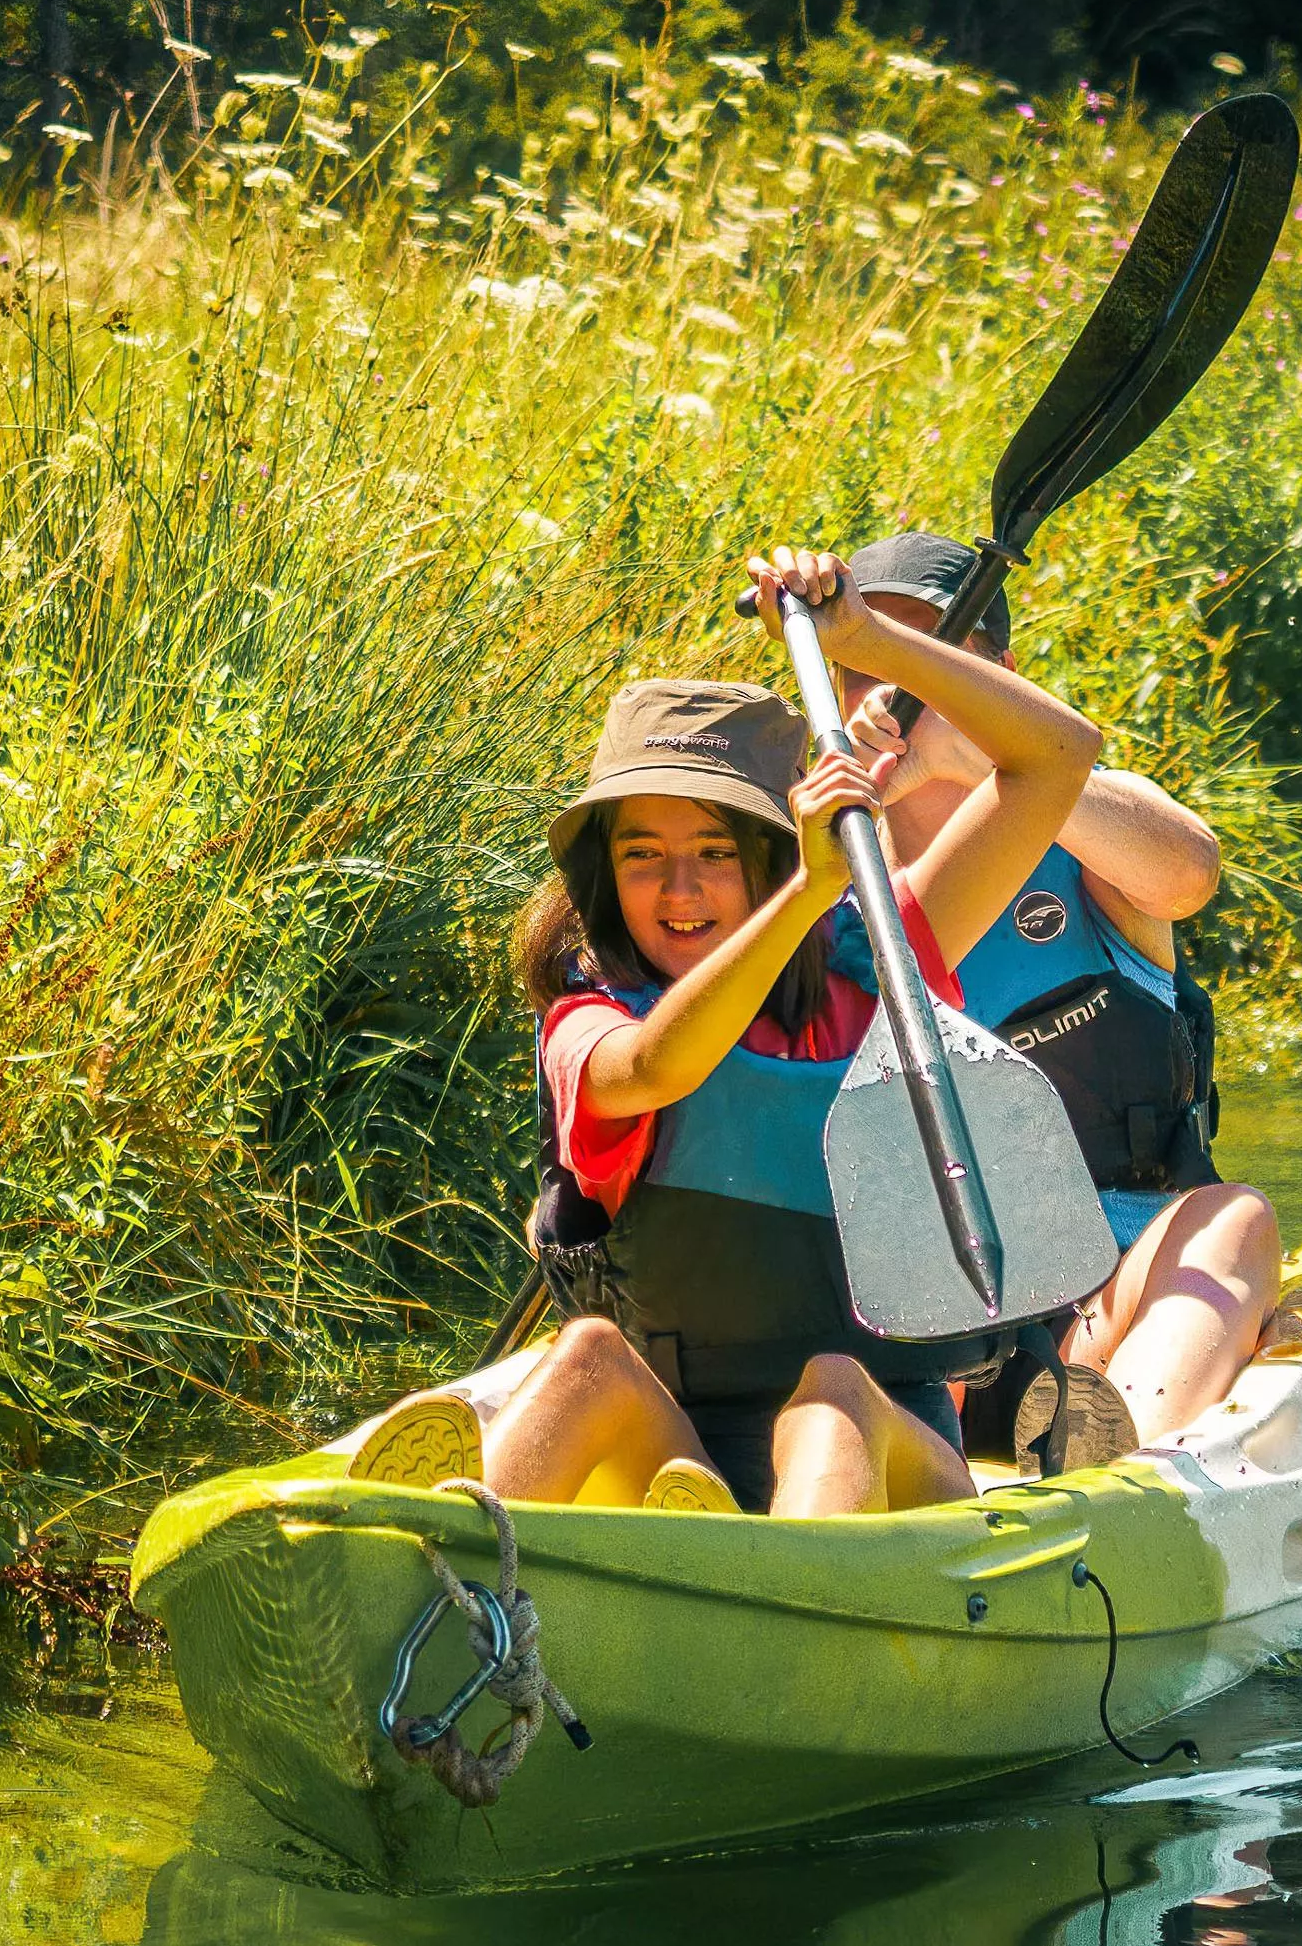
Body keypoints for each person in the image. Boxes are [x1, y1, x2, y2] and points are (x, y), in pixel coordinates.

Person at [349, 544, 1109, 1517]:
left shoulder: (876, 962)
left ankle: (782, 1597)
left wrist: (865, 638)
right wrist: (799, 898)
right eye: (642, 856)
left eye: (713, 852)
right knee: (586, 1353)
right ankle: (432, 1563)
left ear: (767, 856)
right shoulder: (585, 1026)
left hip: (883, 1465)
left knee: (829, 1396)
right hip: (678, 1454)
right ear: (601, 877)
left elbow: (1053, 760)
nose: (677, 890)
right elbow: (659, 1067)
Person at [833, 529, 1281, 1468]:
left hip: (1117, 1291)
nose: (897, 692)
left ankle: (1109, 1456)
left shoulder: (1090, 829)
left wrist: (987, 759)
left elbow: (1189, 873)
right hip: (925, 1293)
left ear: (1001, 673)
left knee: (1234, 1217)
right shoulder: (808, 866)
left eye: (936, 658)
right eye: (867, 661)